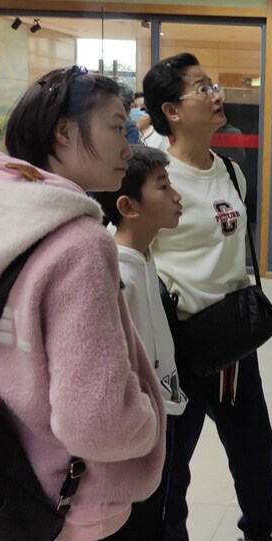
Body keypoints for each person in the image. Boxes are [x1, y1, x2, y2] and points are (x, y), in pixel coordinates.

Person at [0, 66, 166, 541]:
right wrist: (149, 420)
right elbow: (97, 421)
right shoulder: (79, 243)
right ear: (64, 131)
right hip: (76, 502)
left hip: (2, 486)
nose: (128, 145)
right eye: (116, 126)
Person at [144, 53, 272, 541]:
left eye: (212, 84)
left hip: (233, 341)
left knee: (255, 448)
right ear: (171, 110)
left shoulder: (230, 171)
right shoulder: (153, 177)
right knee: (174, 465)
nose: (215, 94)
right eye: (201, 88)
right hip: (180, 347)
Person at [94, 143, 188, 459]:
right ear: (128, 206)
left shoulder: (143, 253)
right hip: (141, 421)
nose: (176, 196)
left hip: (165, 404)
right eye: (163, 187)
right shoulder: (116, 270)